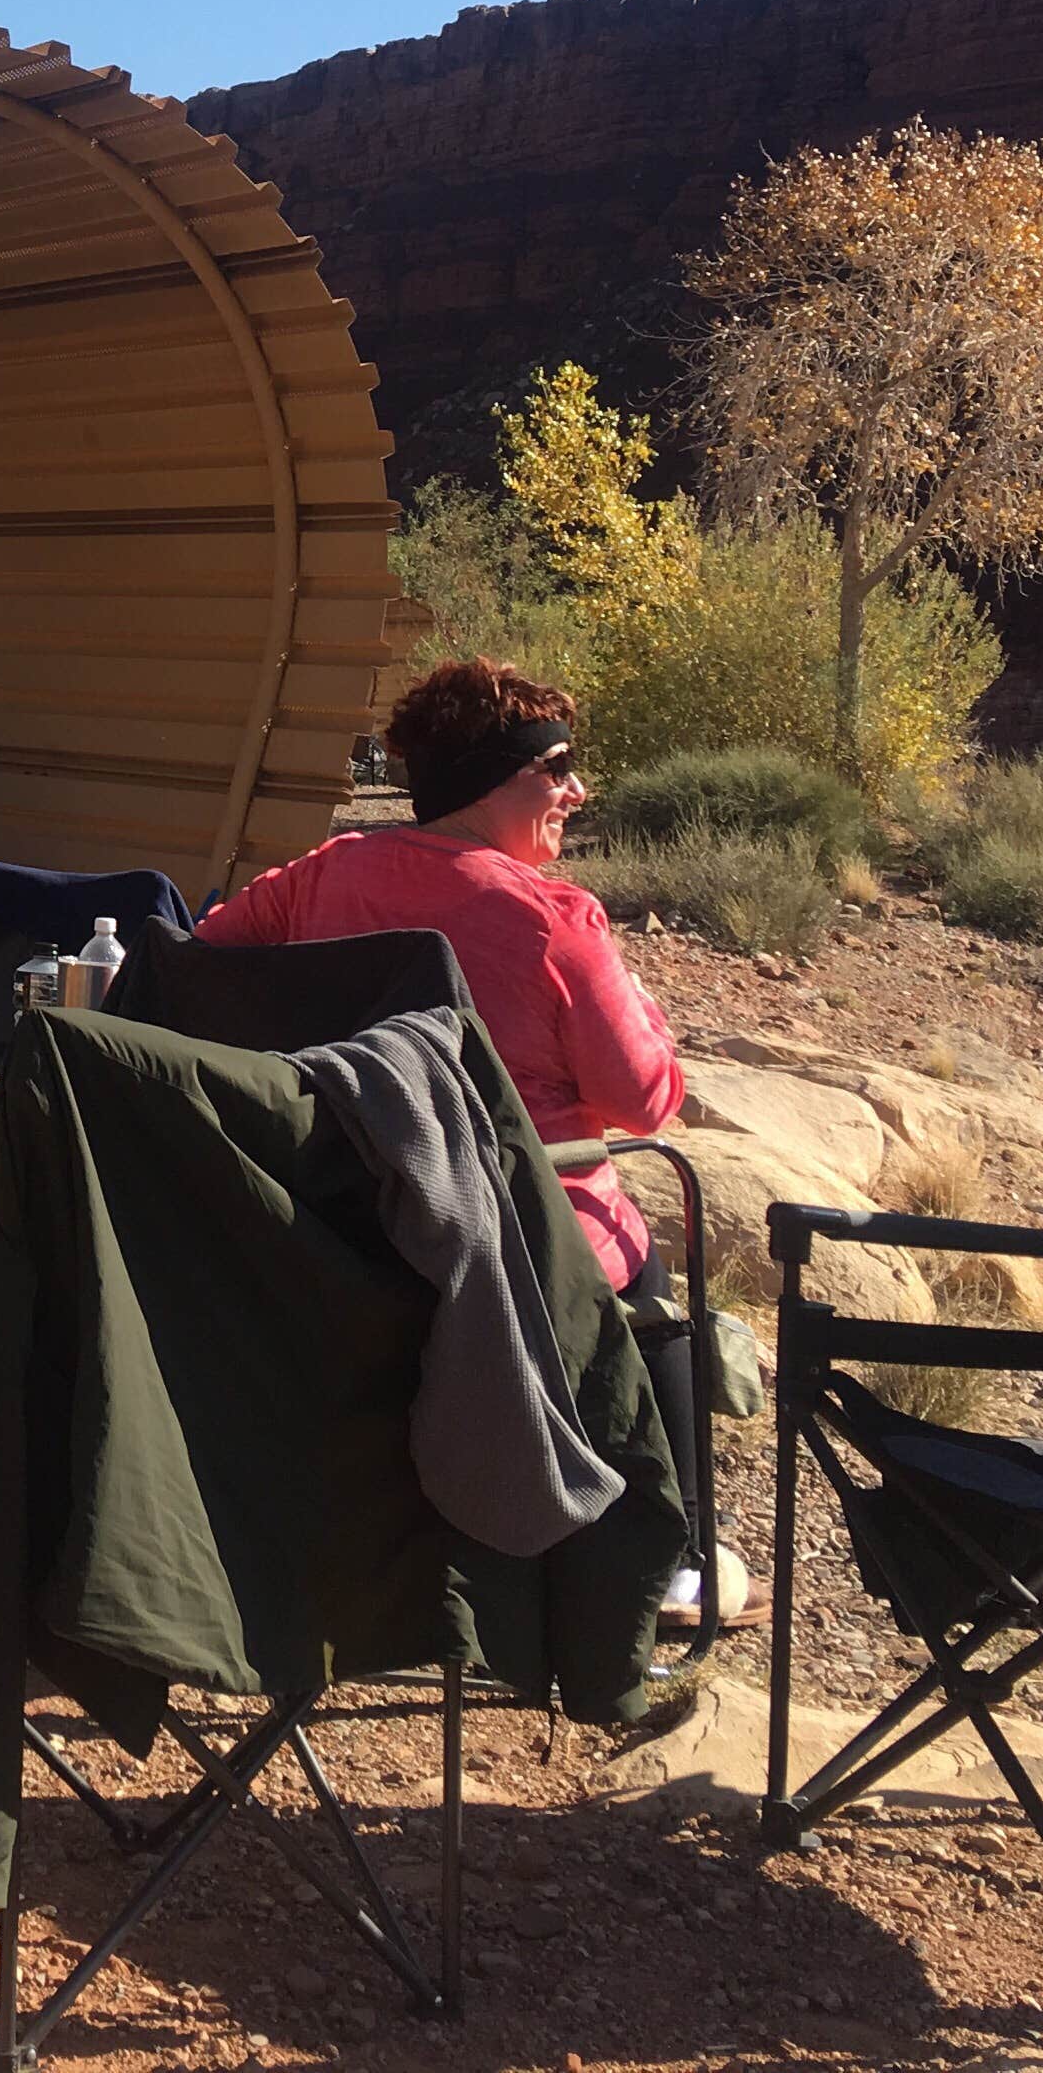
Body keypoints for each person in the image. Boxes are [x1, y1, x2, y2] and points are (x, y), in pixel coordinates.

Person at [193, 656, 746, 1616]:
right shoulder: (552, 918)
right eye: (558, 767)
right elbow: (648, 1102)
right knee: (650, 1260)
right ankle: (681, 1558)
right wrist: (648, 1013)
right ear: (495, 780)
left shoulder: (326, 875)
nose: (578, 788)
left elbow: (203, 963)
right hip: (521, 1236)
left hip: (348, 1215)